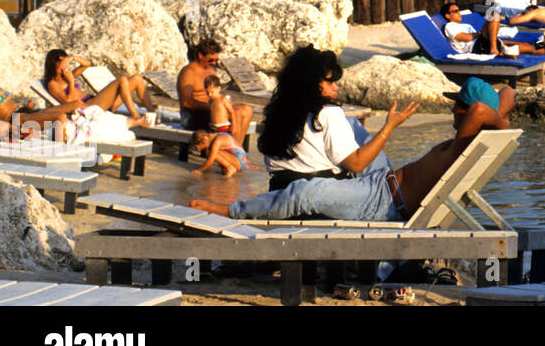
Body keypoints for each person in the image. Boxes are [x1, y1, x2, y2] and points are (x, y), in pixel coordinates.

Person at [192, 64, 513, 225]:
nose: (451, 110)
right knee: (353, 128)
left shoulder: (461, 145)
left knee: (307, 192)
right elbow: (507, 94)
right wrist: (499, 119)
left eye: (456, 106)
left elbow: (484, 109)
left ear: (466, 111)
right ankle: (336, 165)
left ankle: (232, 211)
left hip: (383, 204)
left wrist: (494, 117)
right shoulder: (469, 141)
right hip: (382, 182)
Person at [42, 50, 157, 120]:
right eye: (60, 63)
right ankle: (135, 116)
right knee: (122, 80)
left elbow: (87, 64)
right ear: (53, 64)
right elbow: (68, 102)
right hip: (88, 107)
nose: (63, 66)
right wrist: (71, 82)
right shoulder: (53, 84)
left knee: (137, 78)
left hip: (97, 102)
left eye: (64, 63)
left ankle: (153, 113)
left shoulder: (66, 76)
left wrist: (72, 58)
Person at [178, 39, 253, 144]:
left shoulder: (210, 70)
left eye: (215, 60)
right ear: (200, 55)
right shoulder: (188, 72)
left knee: (247, 109)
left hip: (210, 110)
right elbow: (187, 102)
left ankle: (236, 149)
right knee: (237, 112)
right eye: (210, 60)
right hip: (192, 116)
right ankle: (232, 150)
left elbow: (216, 93)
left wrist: (223, 101)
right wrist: (213, 106)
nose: (213, 63)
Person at [441, 3, 545, 54]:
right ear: (447, 15)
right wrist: (482, 32)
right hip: (477, 47)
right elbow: (468, 38)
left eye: (458, 10)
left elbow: (478, 35)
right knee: (495, 16)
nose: (458, 13)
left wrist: (486, 33)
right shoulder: (449, 26)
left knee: (526, 46)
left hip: (485, 42)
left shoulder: (465, 25)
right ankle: (494, 49)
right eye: (455, 11)